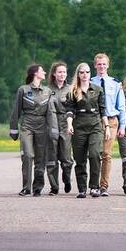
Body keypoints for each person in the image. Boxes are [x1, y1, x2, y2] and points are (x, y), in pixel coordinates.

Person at [8, 63, 58, 196]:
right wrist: (13, 129)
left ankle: (38, 187)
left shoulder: (47, 91)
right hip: (27, 125)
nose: (45, 73)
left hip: (42, 126)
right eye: (42, 70)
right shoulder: (23, 90)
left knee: (41, 159)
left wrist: (54, 129)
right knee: (28, 155)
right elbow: (16, 110)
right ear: (35, 73)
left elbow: (51, 112)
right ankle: (26, 187)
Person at [63, 62, 110, 198]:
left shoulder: (97, 89)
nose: (85, 75)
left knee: (95, 155)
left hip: (95, 125)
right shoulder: (72, 91)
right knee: (80, 159)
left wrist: (106, 127)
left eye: (87, 72)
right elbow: (70, 110)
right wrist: (69, 124)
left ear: (90, 74)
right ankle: (82, 188)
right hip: (79, 126)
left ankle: (94, 187)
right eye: (82, 72)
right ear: (78, 74)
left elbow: (103, 110)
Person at [91, 53, 125, 196]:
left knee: (106, 154)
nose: (102, 67)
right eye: (99, 64)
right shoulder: (90, 82)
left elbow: (121, 105)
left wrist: (122, 125)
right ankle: (93, 185)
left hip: (111, 121)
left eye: (104, 64)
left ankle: (103, 186)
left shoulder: (115, 83)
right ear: (95, 66)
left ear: (108, 65)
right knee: (94, 154)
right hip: (94, 120)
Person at [46, 61, 73, 195]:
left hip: (65, 123)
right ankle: (54, 186)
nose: (62, 74)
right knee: (52, 157)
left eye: (64, 72)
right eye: (59, 72)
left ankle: (67, 179)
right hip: (51, 124)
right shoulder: (47, 90)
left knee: (66, 157)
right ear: (54, 74)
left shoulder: (70, 89)